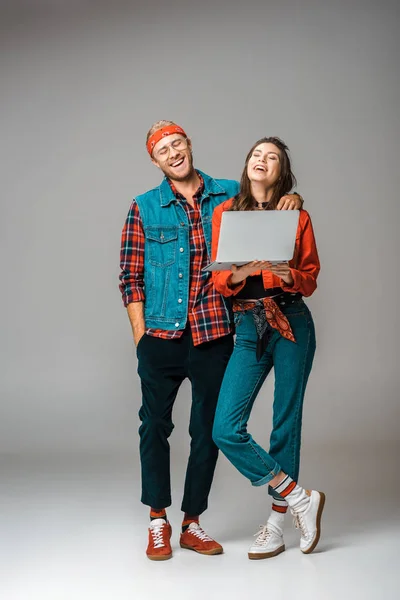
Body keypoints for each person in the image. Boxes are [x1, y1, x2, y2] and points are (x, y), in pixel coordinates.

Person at [119, 122, 303, 561]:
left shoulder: (227, 194)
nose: (173, 153)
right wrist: (141, 337)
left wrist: (290, 201)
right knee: (155, 428)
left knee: (208, 432)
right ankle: (158, 520)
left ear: (189, 145)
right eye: (163, 150)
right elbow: (130, 277)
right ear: (155, 160)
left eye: (177, 144)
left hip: (214, 333)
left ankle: (192, 524)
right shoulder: (143, 207)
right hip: (160, 336)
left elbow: (267, 200)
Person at [211, 137, 325, 559]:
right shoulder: (226, 212)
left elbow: (311, 276)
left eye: (271, 157)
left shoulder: (297, 215)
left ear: (281, 171)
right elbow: (220, 280)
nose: (262, 160)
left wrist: (287, 273)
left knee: (284, 422)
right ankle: (299, 497)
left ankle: (277, 524)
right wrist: (243, 271)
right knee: (225, 428)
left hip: (291, 320)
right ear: (247, 165)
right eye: (257, 155)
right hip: (247, 324)